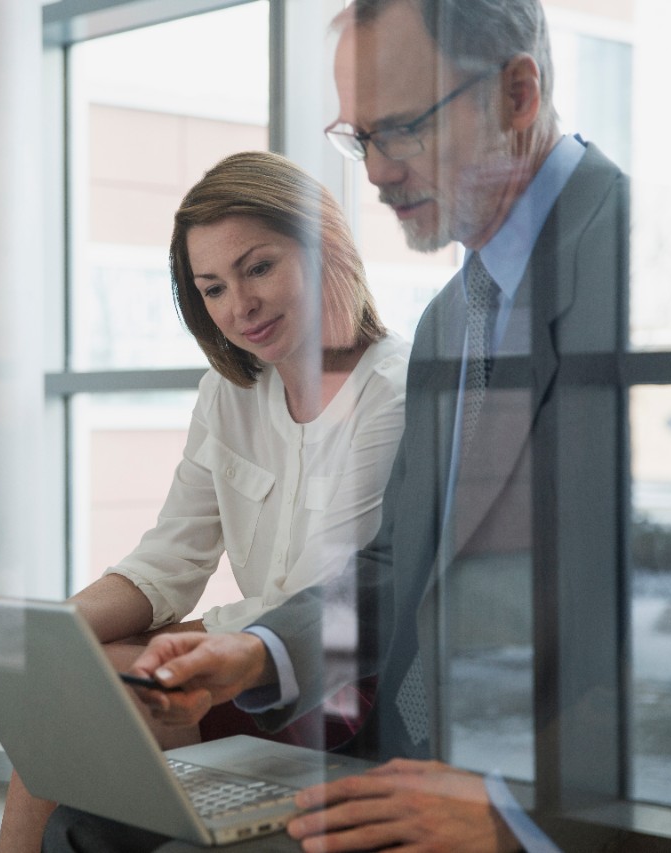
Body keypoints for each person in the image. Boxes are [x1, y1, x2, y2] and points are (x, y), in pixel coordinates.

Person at [44, 0, 628, 850]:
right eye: (362, 139)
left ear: (517, 93)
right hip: (407, 763)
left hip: (541, 799)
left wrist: (521, 813)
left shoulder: (634, 268)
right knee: (82, 826)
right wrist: (256, 654)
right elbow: (396, 567)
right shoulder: (451, 321)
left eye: (403, 128)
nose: (381, 172)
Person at [0, 150, 410, 853]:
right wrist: (46, 631)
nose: (238, 307)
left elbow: (318, 600)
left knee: (82, 701)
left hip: (331, 687)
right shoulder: (231, 391)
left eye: (258, 267)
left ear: (324, 246)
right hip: (239, 666)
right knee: (75, 686)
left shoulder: (391, 392)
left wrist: (152, 652)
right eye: (212, 287)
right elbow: (169, 558)